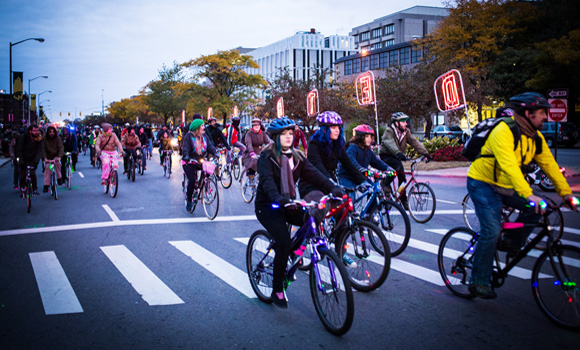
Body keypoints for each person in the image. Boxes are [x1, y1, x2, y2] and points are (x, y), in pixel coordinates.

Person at [467, 92, 577, 299]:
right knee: (491, 230)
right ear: (528, 113)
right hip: (483, 184)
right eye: (542, 112)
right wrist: (528, 194)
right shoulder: (503, 131)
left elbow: (550, 166)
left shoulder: (535, 137)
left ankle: (511, 240)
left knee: (540, 206)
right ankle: (479, 281)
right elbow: (509, 166)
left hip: (507, 186)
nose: (546, 116)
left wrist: (566, 194)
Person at [255, 117, 342, 308]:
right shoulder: (267, 157)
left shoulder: (298, 156)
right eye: (283, 134)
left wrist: (333, 188)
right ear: (275, 137)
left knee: (311, 217)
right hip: (269, 206)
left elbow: (315, 175)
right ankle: (277, 289)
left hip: (290, 203)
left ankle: (296, 253)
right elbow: (267, 182)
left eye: (290, 133)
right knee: (284, 242)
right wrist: (278, 198)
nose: (288, 137)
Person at [379, 112, 431, 210]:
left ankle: (403, 200)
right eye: (403, 122)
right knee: (395, 170)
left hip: (396, 155)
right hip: (386, 155)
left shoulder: (406, 132)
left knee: (402, 178)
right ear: (396, 123)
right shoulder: (389, 131)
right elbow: (390, 143)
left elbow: (414, 142)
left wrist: (425, 153)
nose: (405, 124)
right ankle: (384, 183)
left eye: (406, 122)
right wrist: (398, 153)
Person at [182, 119, 216, 212]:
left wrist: (215, 153)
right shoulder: (188, 137)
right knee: (192, 180)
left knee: (208, 171)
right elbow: (185, 148)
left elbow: (210, 146)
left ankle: (204, 184)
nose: (204, 127)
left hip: (200, 160)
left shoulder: (204, 136)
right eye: (202, 126)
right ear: (197, 128)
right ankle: (189, 200)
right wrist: (186, 156)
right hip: (189, 161)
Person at [15, 124, 43, 196]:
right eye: (34, 131)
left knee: (32, 174)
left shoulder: (39, 138)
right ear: (30, 131)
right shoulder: (23, 137)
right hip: (23, 157)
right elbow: (19, 150)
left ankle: (35, 189)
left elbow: (39, 151)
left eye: (37, 130)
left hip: (32, 158)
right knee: (22, 175)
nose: (36, 132)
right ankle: (23, 188)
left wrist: (36, 161)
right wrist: (21, 161)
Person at [41, 125, 64, 192]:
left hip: (56, 155)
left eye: (53, 132)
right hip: (48, 157)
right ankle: (46, 185)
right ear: (48, 132)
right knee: (47, 168)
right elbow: (43, 149)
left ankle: (59, 178)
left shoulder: (58, 138)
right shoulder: (44, 139)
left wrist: (59, 157)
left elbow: (61, 148)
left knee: (58, 164)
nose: (52, 133)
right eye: (50, 132)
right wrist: (45, 158)